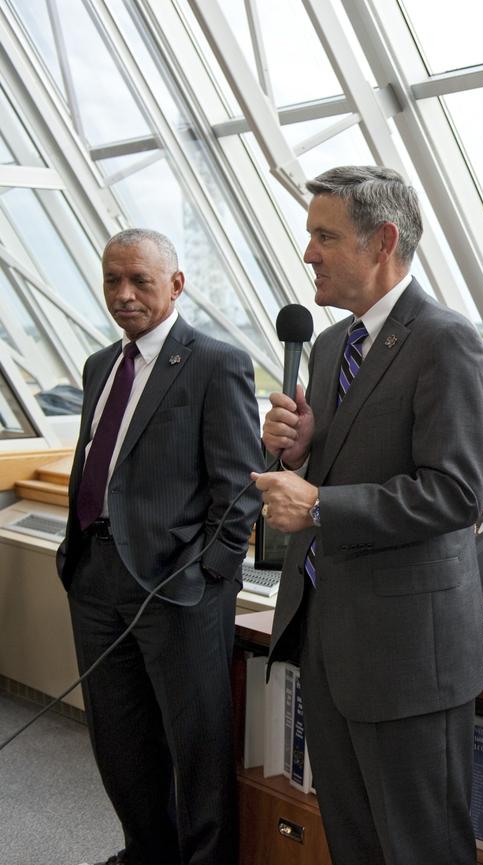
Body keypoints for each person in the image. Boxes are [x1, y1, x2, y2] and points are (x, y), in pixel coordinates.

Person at [255, 165, 483, 864]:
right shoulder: (332, 346)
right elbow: (345, 464)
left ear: (382, 240)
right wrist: (303, 450)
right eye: (310, 236)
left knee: (418, 850)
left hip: (408, 657)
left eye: (324, 236)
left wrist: (320, 503)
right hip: (330, 641)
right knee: (356, 844)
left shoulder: (447, 342)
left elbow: (455, 492)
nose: (309, 253)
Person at [59, 228, 261, 865]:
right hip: (94, 576)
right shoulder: (101, 365)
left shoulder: (215, 362)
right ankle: (144, 853)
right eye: (112, 280)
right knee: (118, 738)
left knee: (196, 750)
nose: (123, 294)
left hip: (179, 587)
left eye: (139, 280)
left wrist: (207, 575)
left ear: (175, 284)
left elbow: (239, 488)